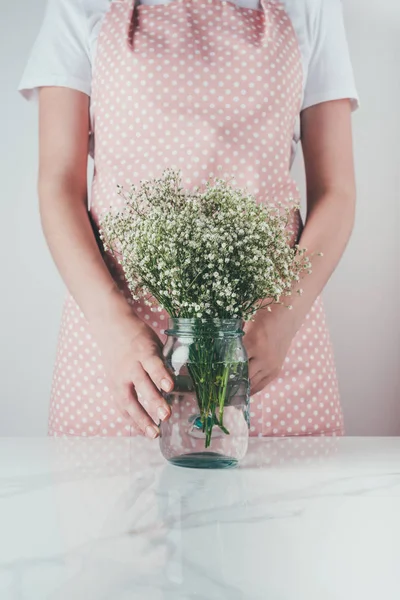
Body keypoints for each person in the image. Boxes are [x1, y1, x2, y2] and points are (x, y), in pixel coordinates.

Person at [18, 0, 359, 439]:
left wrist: (280, 321)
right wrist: (114, 327)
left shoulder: (309, 6)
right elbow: (58, 186)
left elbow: (337, 191)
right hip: (120, 352)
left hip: (267, 349)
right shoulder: (80, 5)